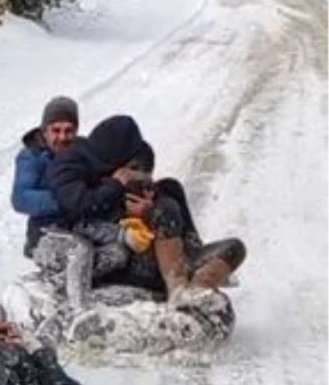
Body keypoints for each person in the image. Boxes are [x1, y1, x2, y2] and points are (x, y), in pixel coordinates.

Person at [47, 115, 246, 303]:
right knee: (165, 208)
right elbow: (79, 208)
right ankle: (178, 291)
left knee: (234, 247)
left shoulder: (148, 180)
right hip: (132, 256)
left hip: (169, 253)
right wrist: (130, 205)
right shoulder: (78, 171)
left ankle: (197, 289)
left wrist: (148, 200)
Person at [11, 96, 81, 256]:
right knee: (80, 252)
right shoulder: (32, 156)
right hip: (44, 232)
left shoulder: (81, 151)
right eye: (56, 130)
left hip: (77, 225)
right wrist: (65, 199)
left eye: (68, 130)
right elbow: (21, 198)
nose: (62, 137)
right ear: (45, 131)